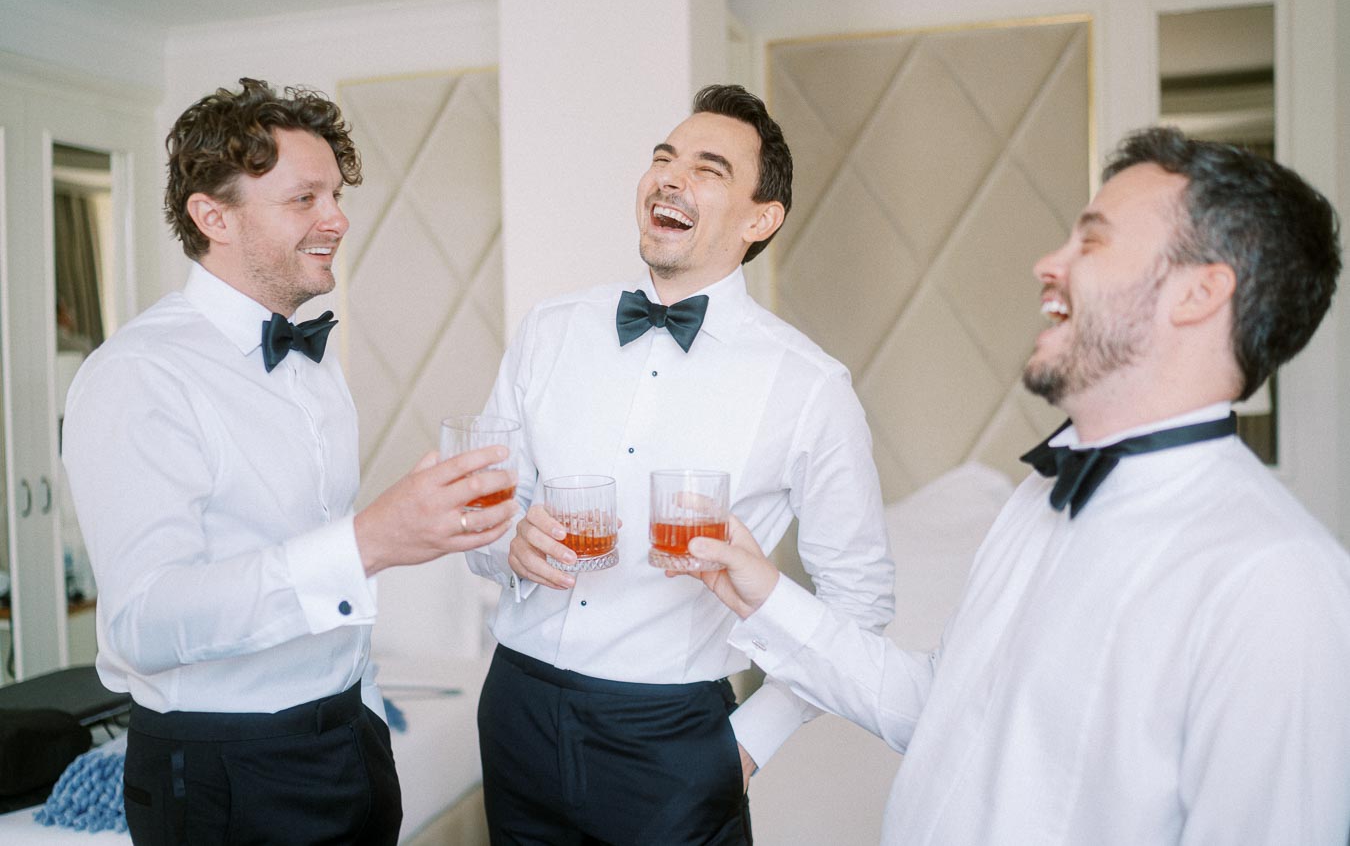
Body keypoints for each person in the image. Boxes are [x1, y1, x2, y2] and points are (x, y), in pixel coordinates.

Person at [685, 126, 1350, 845]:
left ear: (1199, 292)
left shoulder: (1278, 582)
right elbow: (944, 713)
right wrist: (767, 597)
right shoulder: (1035, 500)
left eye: (1091, 242)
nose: (1047, 264)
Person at [61, 78, 518, 846]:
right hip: (226, 768)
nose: (337, 220)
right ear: (214, 217)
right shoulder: (138, 374)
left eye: (335, 196)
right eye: (304, 199)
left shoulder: (314, 362)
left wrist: (365, 712)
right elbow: (144, 620)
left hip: (350, 741)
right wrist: (369, 543)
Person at [466, 83, 895, 843]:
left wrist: (746, 746)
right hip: (517, 709)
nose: (671, 177)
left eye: (709, 169)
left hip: (674, 738)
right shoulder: (549, 330)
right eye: (663, 158)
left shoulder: (809, 385)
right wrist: (505, 541)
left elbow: (859, 603)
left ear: (761, 219)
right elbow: (490, 503)